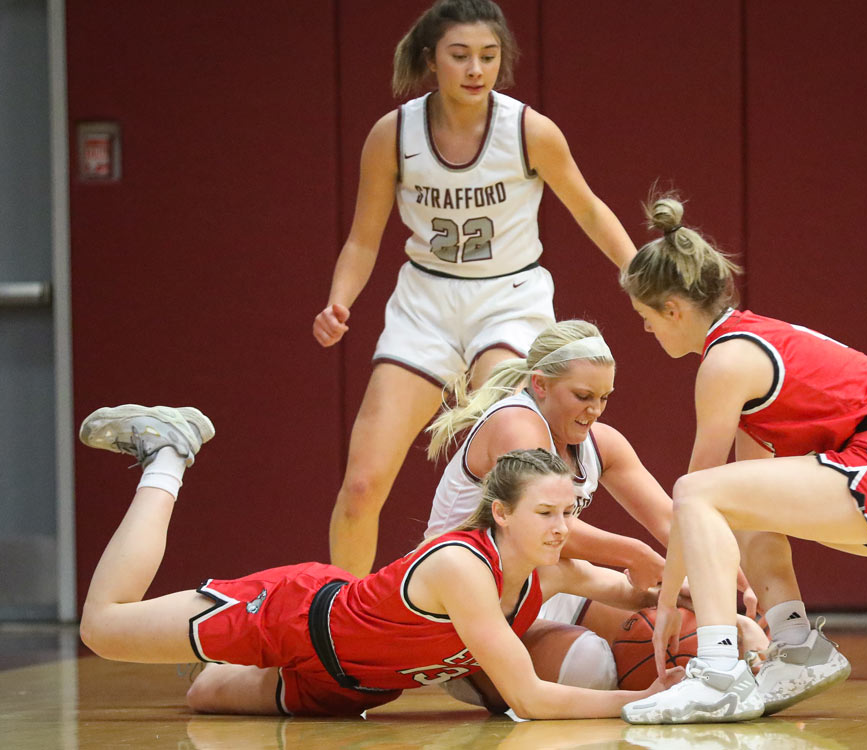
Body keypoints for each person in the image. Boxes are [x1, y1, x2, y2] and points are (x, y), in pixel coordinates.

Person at [615, 194, 867, 724]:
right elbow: (734, 508)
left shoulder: (726, 359)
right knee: (739, 508)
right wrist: (722, 573)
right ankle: (796, 647)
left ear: (673, 309)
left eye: (646, 318)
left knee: (696, 491)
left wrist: (669, 604)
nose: (646, 330)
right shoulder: (756, 343)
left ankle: (717, 674)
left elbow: (696, 489)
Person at [76, 404, 678, 718]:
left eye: (568, 513)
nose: (562, 528)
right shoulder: (461, 567)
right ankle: (166, 456)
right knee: (104, 629)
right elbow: (532, 700)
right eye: (546, 514)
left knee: (203, 697)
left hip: (356, 687)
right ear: (500, 513)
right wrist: (646, 699)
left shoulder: (550, 570)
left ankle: (198, 649)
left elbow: (642, 592)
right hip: (292, 618)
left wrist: (721, 618)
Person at [312, 0, 637, 575]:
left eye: (487, 57)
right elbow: (363, 240)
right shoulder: (393, 134)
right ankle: (346, 624)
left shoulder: (528, 130)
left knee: (513, 470)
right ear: (430, 59)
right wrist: (340, 300)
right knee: (361, 484)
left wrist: (638, 275)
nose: (474, 70)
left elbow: (588, 208)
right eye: (459, 56)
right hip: (426, 303)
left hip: (510, 299)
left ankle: (501, 618)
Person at [424, 319, 761, 707]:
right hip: (469, 600)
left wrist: (733, 578)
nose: (595, 410)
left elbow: (676, 521)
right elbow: (549, 526)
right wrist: (635, 554)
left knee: (679, 633)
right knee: (590, 666)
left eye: (604, 397)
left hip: (544, 583)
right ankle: (485, 680)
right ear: (540, 384)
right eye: (583, 395)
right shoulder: (515, 424)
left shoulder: (602, 444)